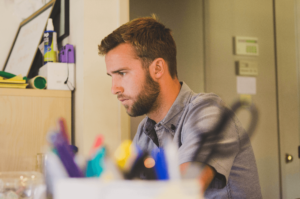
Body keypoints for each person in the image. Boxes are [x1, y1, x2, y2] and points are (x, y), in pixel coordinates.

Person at [98, 16, 262, 198]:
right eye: (111, 76)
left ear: (158, 68)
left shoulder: (209, 112)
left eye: (122, 73)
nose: (114, 88)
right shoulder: (145, 132)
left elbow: (183, 191)